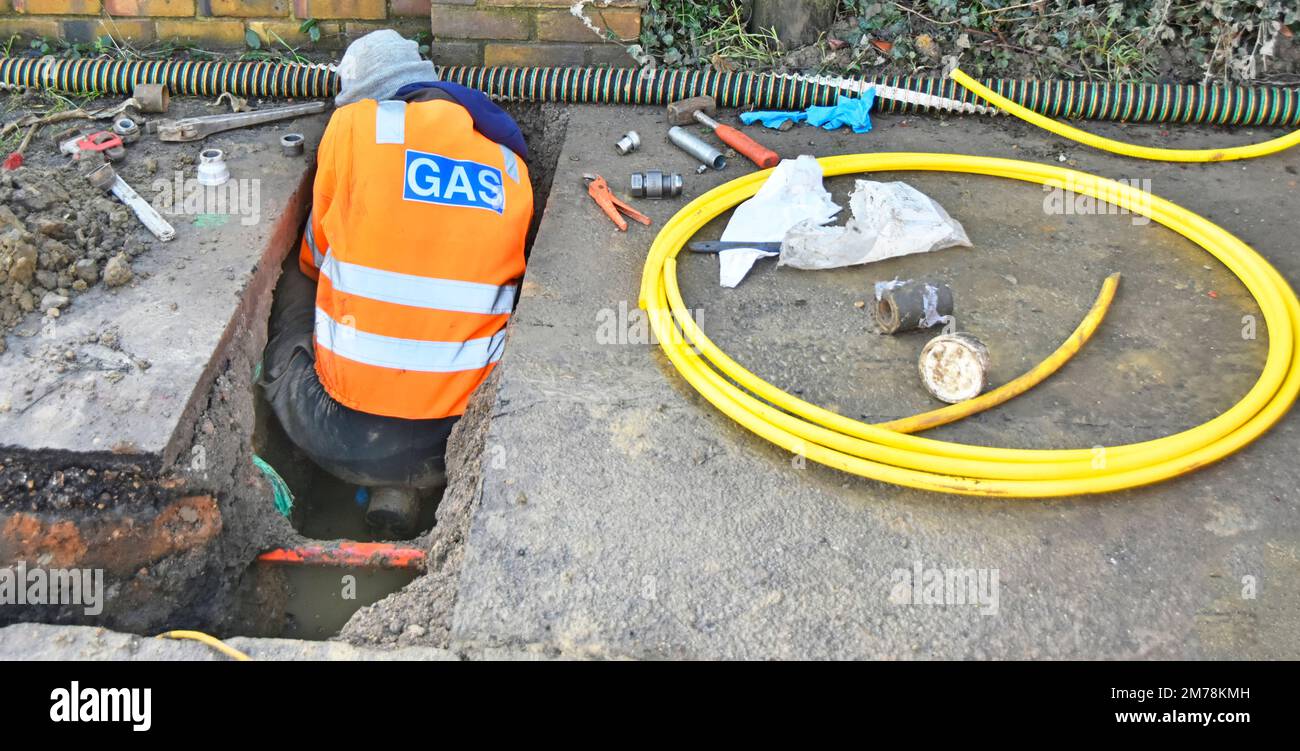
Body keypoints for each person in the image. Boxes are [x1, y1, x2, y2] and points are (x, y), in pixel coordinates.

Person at [260, 30, 533, 535]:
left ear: (363, 94)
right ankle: (410, 490)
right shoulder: (511, 168)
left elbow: (316, 258)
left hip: (336, 436)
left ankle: (364, 479)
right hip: (458, 442)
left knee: (297, 284)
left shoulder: (353, 126)